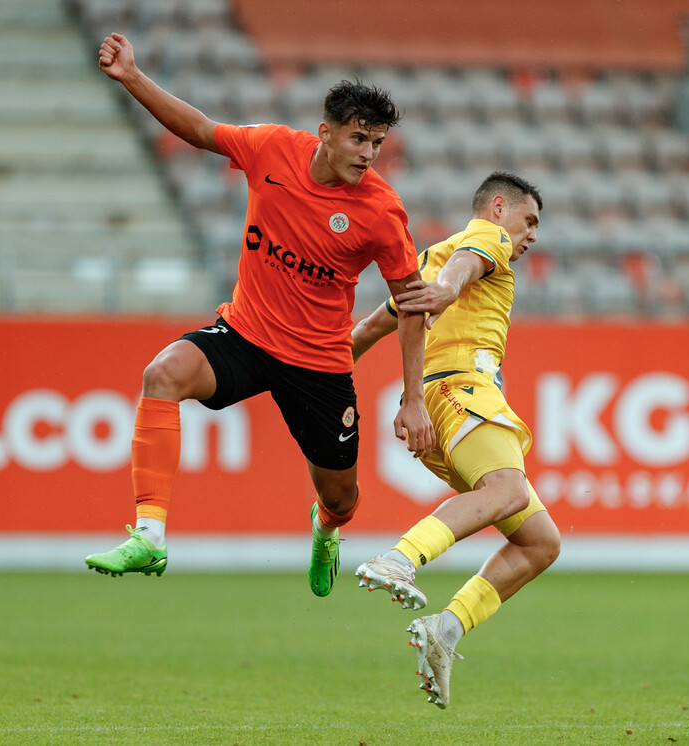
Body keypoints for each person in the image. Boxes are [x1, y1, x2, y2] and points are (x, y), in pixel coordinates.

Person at [84, 32, 435, 598]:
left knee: (342, 499)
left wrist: (413, 396)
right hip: (245, 335)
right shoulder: (271, 149)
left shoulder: (380, 212)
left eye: (376, 142)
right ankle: (149, 535)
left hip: (320, 363)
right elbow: (200, 130)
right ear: (326, 133)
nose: (368, 153)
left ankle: (325, 529)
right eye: (358, 139)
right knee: (162, 374)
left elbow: (412, 303)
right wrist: (131, 77)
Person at [350, 172, 561, 708]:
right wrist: (451, 286)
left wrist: (322, 374)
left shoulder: (427, 260)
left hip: (438, 410)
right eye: (529, 220)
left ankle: (445, 628)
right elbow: (468, 264)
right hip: (466, 391)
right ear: (497, 207)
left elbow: (375, 325)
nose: (532, 234)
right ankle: (402, 558)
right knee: (510, 492)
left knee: (540, 541)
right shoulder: (485, 241)